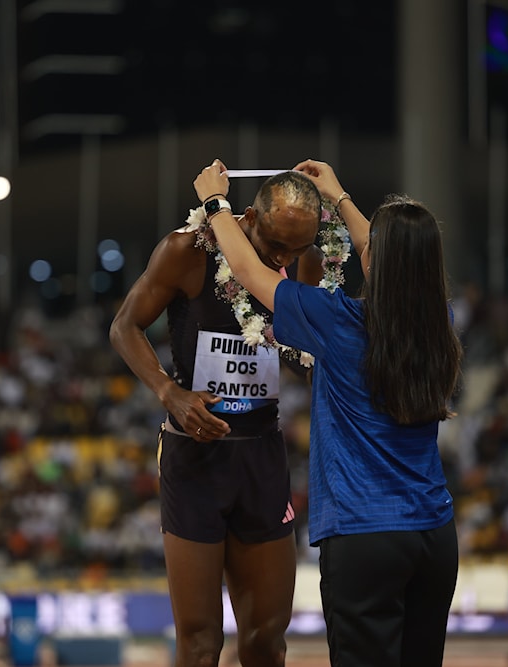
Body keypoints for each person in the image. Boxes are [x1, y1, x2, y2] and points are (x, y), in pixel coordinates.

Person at [193, 158, 463, 667]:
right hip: (434, 536)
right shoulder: (440, 322)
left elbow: (250, 272)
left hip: (364, 538)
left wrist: (216, 204)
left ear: (377, 258)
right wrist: (338, 195)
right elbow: (381, 253)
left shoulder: (338, 322)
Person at [109, 168, 325, 667]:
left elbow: (302, 351)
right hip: (195, 457)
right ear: (247, 217)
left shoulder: (304, 262)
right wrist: (169, 391)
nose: (281, 261)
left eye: (296, 249)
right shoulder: (188, 251)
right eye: (274, 244)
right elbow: (125, 325)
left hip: (262, 456)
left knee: (267, 642)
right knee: (202, 643)